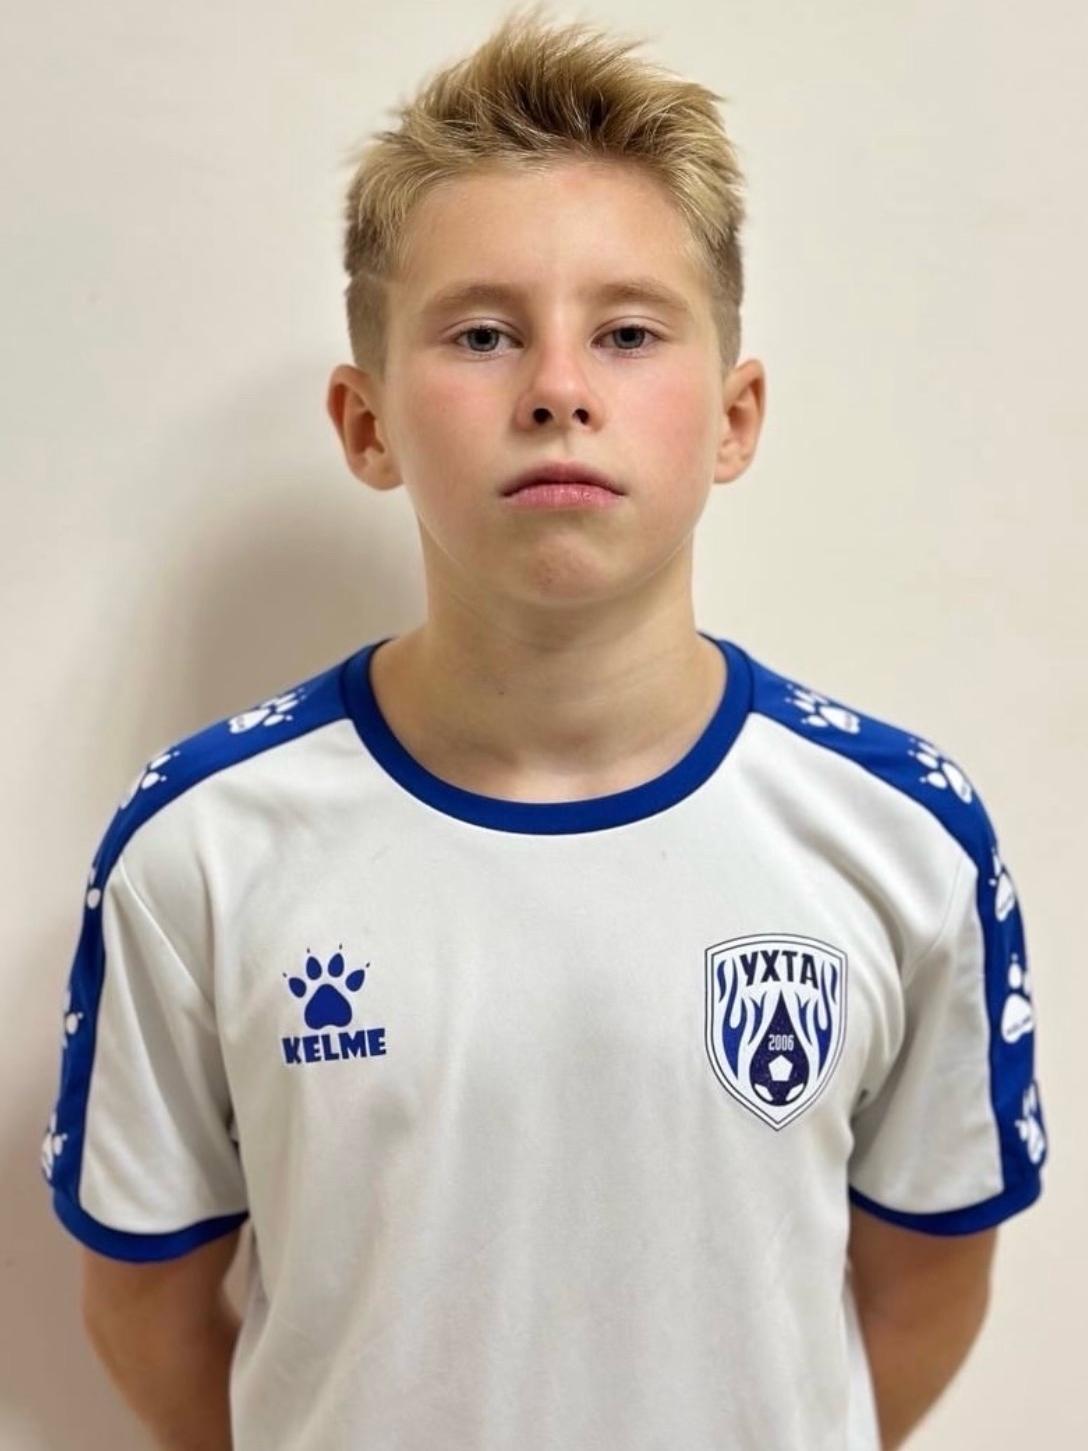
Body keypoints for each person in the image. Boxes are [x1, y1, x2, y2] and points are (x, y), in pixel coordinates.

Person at [39, 5, 1048, 1449]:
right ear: (368, 423)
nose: (560, 390)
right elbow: (143, 1306)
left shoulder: (902, 835)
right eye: (482, 334)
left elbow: (927, 1277)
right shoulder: (201, 849)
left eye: (628, 334)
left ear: (734, 418)